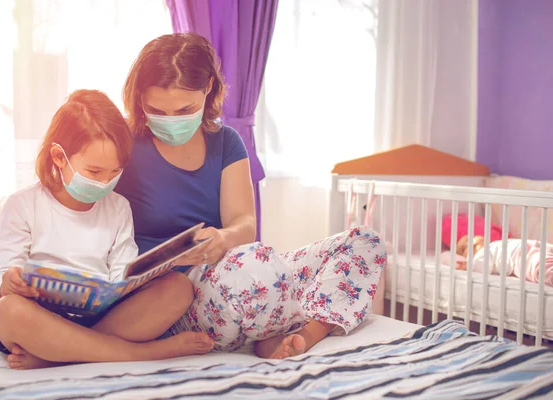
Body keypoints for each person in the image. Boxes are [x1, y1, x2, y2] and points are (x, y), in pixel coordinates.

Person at [116, 33, 385, 360]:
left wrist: (222, 238)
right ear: (139, 99)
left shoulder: (226, 142)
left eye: (185, 109)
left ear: (208, 90)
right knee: (257, 267)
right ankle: (280, 322)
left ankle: (307, 332)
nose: (171, 122)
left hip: (227, 274)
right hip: (174, 301)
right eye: (156, 110)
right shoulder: (124, 142)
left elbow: (243, 223)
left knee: (364, 242)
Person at [0, 89, 214, 370]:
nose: (105, 182)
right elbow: (4, 276)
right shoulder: (23, 205)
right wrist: (9, 283)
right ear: (59, 157)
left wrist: (154, 269)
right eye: (94, 172)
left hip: (100, 318)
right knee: (8, 311)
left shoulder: (118, 207)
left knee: (179, 287)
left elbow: (122, 273)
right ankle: (144, 353)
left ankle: (55, 356)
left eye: (115, 172)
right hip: (42, 317)